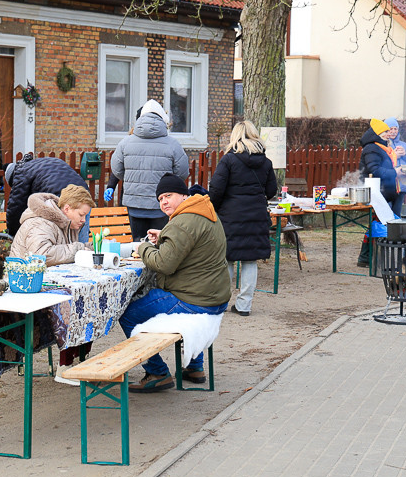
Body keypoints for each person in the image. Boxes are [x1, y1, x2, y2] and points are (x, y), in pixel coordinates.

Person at [118, 173, 231, 392]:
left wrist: (142, 248)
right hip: (215, 296)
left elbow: (163, 264)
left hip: (195, 300)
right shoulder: (204, 211)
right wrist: (165, 237)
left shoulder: (183, 222)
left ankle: (157, 373)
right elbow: (193, 242)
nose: (164, 202)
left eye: (168, 196)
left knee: (127, 312)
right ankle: (194, 367)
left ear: (183, 194)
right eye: (160, 199)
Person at [8, 184, 95, 384]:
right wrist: (79, 249)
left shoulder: (66, 223)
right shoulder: (41, 223)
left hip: (45, 283)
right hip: (26, 287)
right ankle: (65, 367)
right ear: (66, 210)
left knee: (90, 297)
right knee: (76, 303)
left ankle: (80, 359)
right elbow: (42, 255)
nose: (83, 220)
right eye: (81, 215)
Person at [208, 121, 279, 316]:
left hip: (230, 217)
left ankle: (221, 303)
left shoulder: (228, 160)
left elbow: (216, 189)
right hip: (256, 216)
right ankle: (244, 305)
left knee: (227, 260)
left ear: (235, 136)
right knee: (250, 261)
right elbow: (271, 190)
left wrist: (215, 207)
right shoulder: (265, 162)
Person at [109, 99, 189, 240]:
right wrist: (167, 184)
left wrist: (131, 180)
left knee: (136, 245)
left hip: (133, 205)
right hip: (161, 206)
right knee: (161, 244)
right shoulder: (173, 144)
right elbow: (182, 173)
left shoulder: (125, 143)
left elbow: (116, 169)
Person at [5, 156, 91, 243]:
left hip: (61, 196)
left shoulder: (21, 173)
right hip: (84, 193)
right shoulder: (43, 162)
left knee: (62, 241)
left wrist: (12, 233)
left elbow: (15, 207)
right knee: (81, 240)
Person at [357, 118, 400, 267]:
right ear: (378, 133)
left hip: (382, 191)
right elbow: (374, 170)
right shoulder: (372, 148)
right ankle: (366, 257)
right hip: (376, 192)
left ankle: (367, 257)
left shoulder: (381, 147)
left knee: (376, 224)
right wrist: (395, 172)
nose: (389, 134)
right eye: (386, 131)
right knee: (376, 224)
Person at [384, 117, 406, 217]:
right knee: (386, 213)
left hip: (402, 184)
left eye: (395, 129)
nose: (393, 132)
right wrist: (395, 156)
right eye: (390, 129)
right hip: (388, 184)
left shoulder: (404, 145)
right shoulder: (384, 144)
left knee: (397, 213)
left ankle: (394, 232)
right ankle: (386, 232)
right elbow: (382, 163)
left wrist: (405, 154)